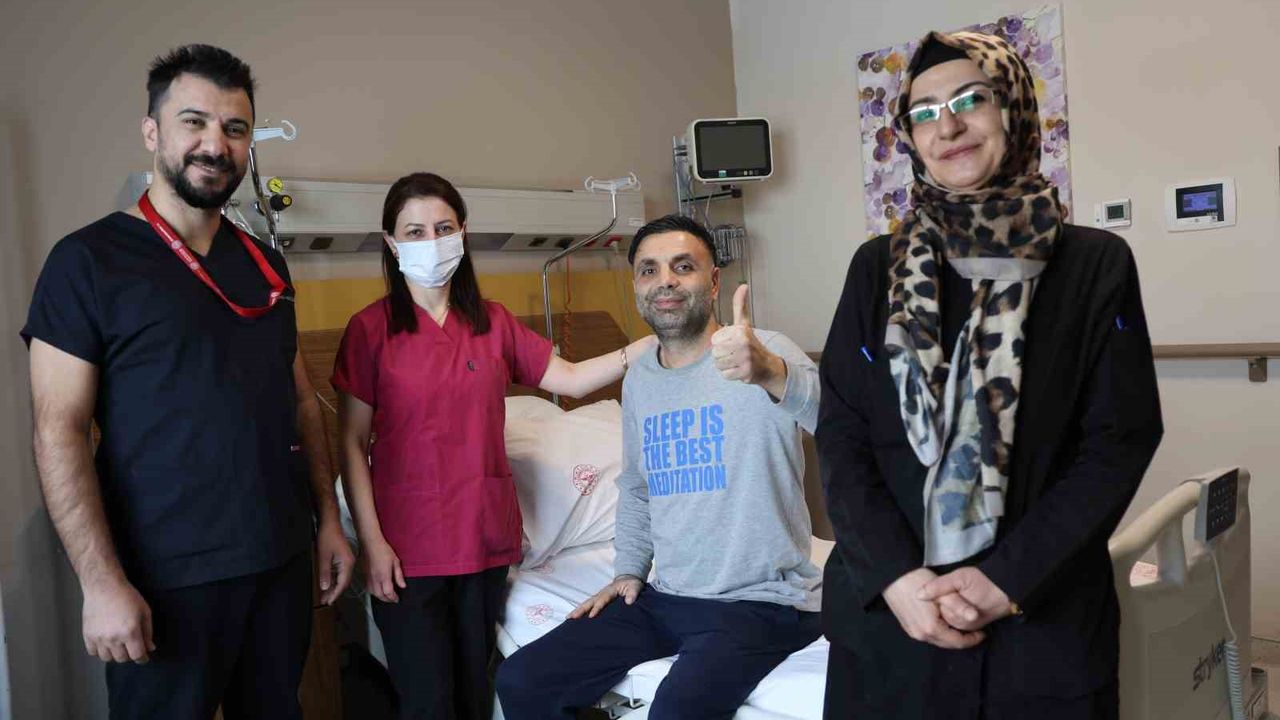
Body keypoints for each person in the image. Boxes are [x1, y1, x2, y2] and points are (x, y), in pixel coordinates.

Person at [817, 31, 1163, 719]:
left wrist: (1006, 580)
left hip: (1039, 625)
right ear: (910, 138)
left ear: (1014, 110)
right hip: (890, 626)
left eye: (970, 100)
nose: (947, 127)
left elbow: (1118, 441)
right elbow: (843, 436)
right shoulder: (875, 270)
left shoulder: (1093, 266)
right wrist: (896, 579)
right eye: (923, 112)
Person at [22, 44, 353, 719]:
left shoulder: (265, 266)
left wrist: (328, 520)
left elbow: (300, 401)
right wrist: (100, 583)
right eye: (193, 122)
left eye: (235, 128)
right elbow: (59, 431)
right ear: (152, 132)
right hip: (165, 581)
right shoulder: (87, 262)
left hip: (279, 562)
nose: (215, 144)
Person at [332, 171, 657, 720]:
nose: (431, 241)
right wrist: (373, 544)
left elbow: (571, 379)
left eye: (443, 228)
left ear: (463, 232)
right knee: (428, 704)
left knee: (473, 696)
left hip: (482, 543)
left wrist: (642, 348)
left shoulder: (493, 323)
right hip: (407, 550)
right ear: (391, 243)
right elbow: (351, 441)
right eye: (414, 232)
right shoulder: (370, 331)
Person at [495, 214, 822, 720]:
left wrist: (773, 374)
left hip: (762, 601)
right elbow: (638, 487)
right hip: (666, 596)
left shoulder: (766, 352)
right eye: (649, 270)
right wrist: (628, 570)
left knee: (675, 711)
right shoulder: (641, 379)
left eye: (683, 266)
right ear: (636, 287)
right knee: (522, 679)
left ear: (713, 281)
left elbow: (843, 423)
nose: (664, 280)